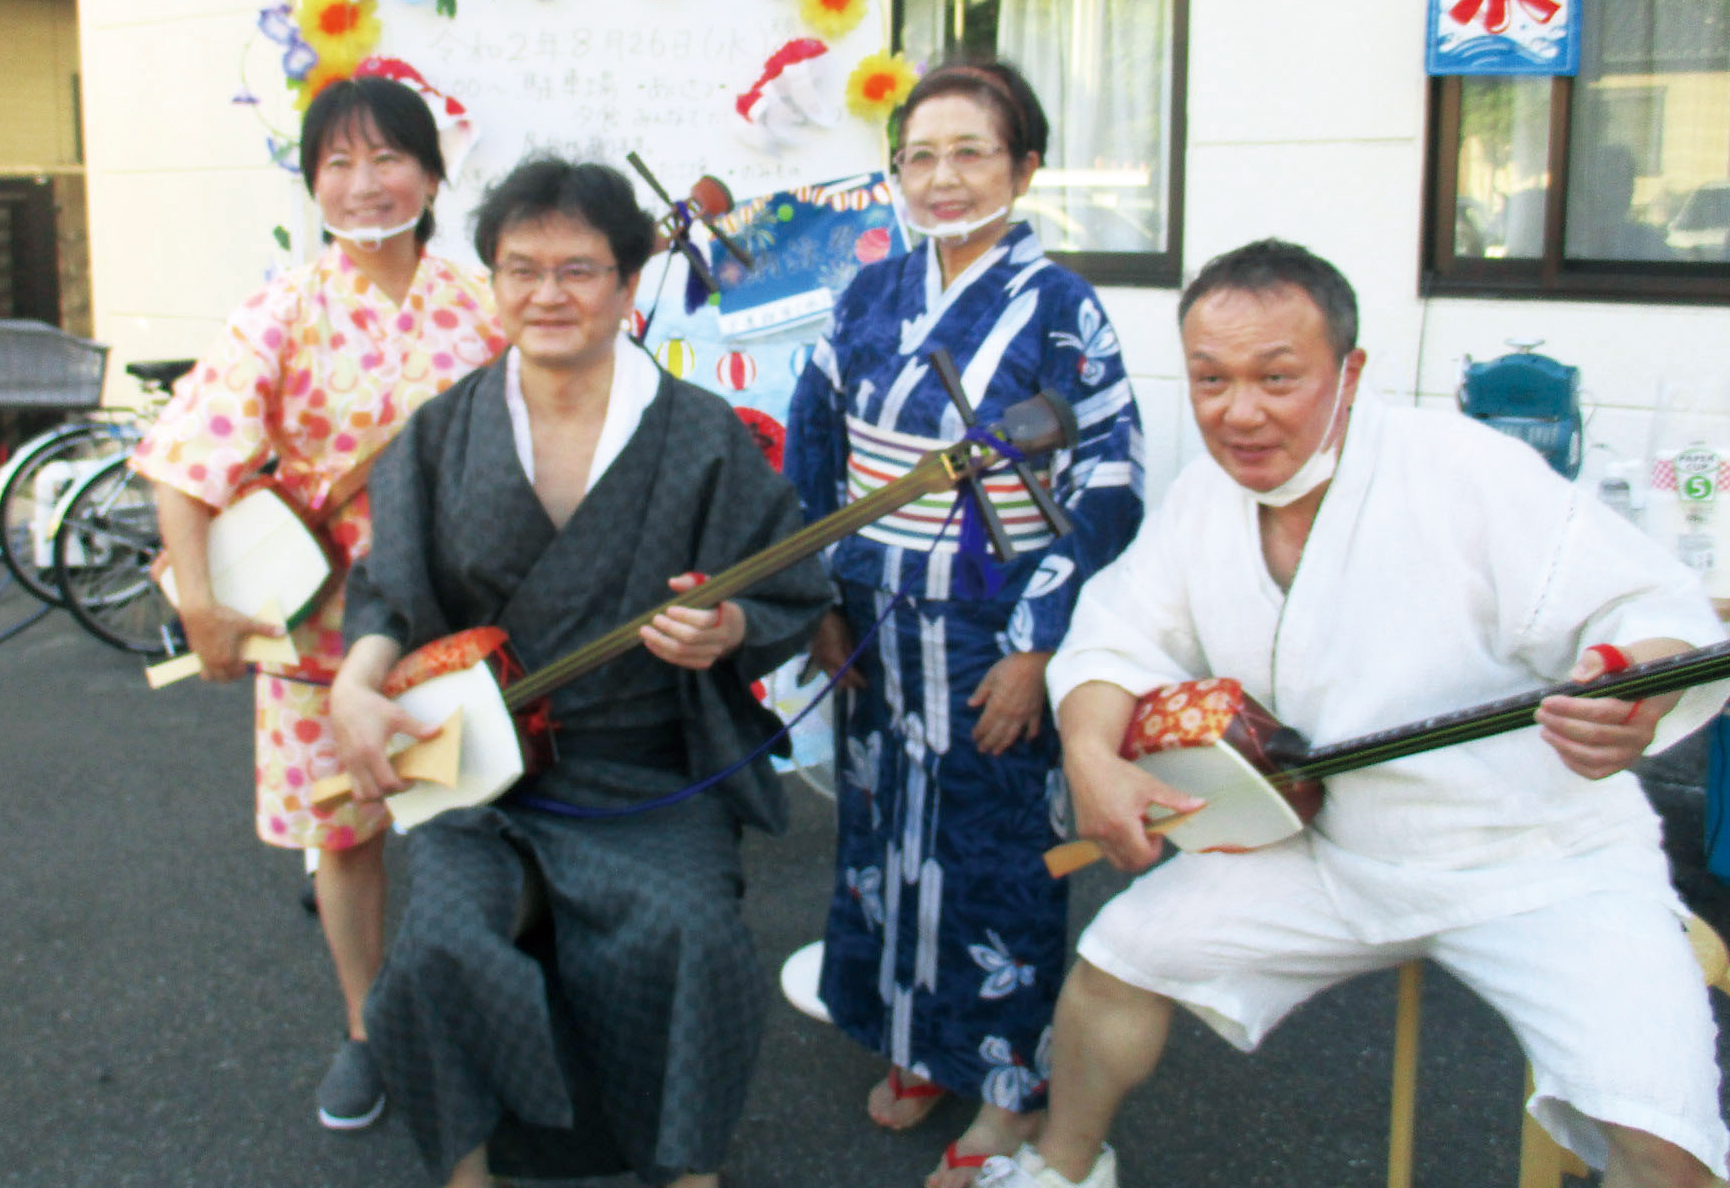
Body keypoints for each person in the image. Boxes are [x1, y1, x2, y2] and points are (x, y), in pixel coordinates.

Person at [980, 238, 1730, 1188]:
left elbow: (1653, 614)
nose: (1237, 411)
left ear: (1351, 371)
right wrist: (1089, 751)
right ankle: (1062, 1165)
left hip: (1536, 859)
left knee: (1660, 1135)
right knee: (1118, 958)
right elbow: (1113, 634)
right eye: (1209, 379)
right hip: (1332, 848)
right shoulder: (1207, 499)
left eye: (1277, 378)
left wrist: (1632, 688)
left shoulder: (1463, 469)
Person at [327, 158, 832, 1188]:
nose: (546, 293)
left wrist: (727, 626)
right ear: (492, 280)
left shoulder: (699, 435)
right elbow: (387, 585)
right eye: (519, 268)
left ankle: (683, 1168)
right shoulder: (443, 429)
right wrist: (355, 681)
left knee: (690, 936)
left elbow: (787, 582)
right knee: (437, 949)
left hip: (645, 767)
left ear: (629, 281)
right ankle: (468, 1170)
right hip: (482, 769)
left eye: (577, 268)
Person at [782, 60, 1145, 1187]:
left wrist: (1038, 647)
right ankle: (912, 1038)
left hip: (996, 629)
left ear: (1024, 165)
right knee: (884, 841)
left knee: (995, 856)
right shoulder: (868, 295)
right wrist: (817, 608)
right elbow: (814, 451)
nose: (941, 179)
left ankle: (1005, 1085)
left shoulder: (1062, 307)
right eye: (919, 156)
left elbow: (1110, 485)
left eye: (969, 152)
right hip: (877, 621)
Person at [133, 76, 505, 1131]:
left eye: (387, 157)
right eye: (335, 163)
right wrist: (200, 605)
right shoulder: (283, 306)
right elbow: (184, 456)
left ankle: (493, 1013)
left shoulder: (484, 301)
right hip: (318, 632)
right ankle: (366, 1027)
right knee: (346, 837)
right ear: (312, 186)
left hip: (458, 621)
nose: (363, 182)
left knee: (482, 813)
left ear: (432, 175)